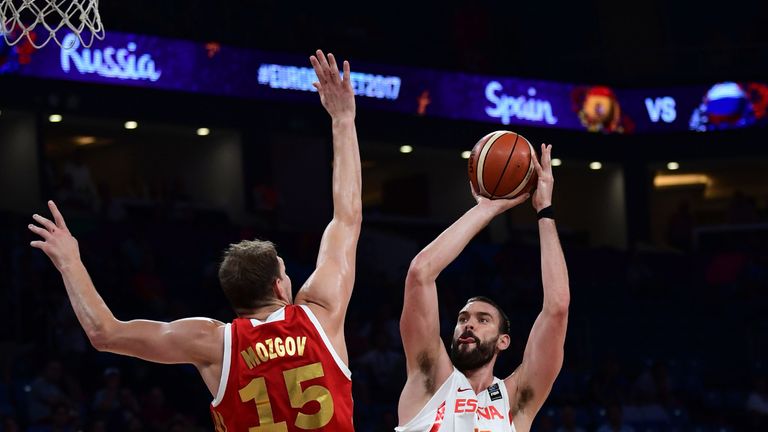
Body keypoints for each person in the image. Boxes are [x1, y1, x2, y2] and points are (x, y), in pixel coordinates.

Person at [28, 49, 362, 431]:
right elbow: (348, 216)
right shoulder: (321, 314)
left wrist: (70, 261)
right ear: (279, 284)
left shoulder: (212, 342)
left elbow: (104, 333)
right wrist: (342, 118)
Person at [396, 144, 569, 432]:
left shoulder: (516, 402)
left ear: (504, 341)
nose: (468, 325)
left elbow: (557, 308)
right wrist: (487, 208)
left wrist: (544, 211)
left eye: (482, 320)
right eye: (463, 319)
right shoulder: (428, 379)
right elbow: (420, 273)